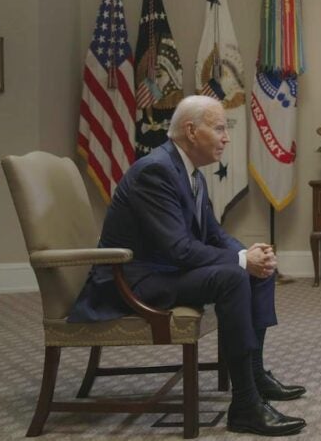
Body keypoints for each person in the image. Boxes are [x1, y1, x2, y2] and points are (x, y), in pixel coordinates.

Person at [68, 95, 306, 436]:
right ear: (192, 131)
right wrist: (242, 260)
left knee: (258, 267)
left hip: (165, 270)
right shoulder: (155, 171)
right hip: (132, 281)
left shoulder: (188, 172)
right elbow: (179, 250)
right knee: (234, 275)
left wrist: (252, 256)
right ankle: (245, 405)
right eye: (220, 128)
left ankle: (254, 374)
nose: (226, 138)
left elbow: (214, 235)